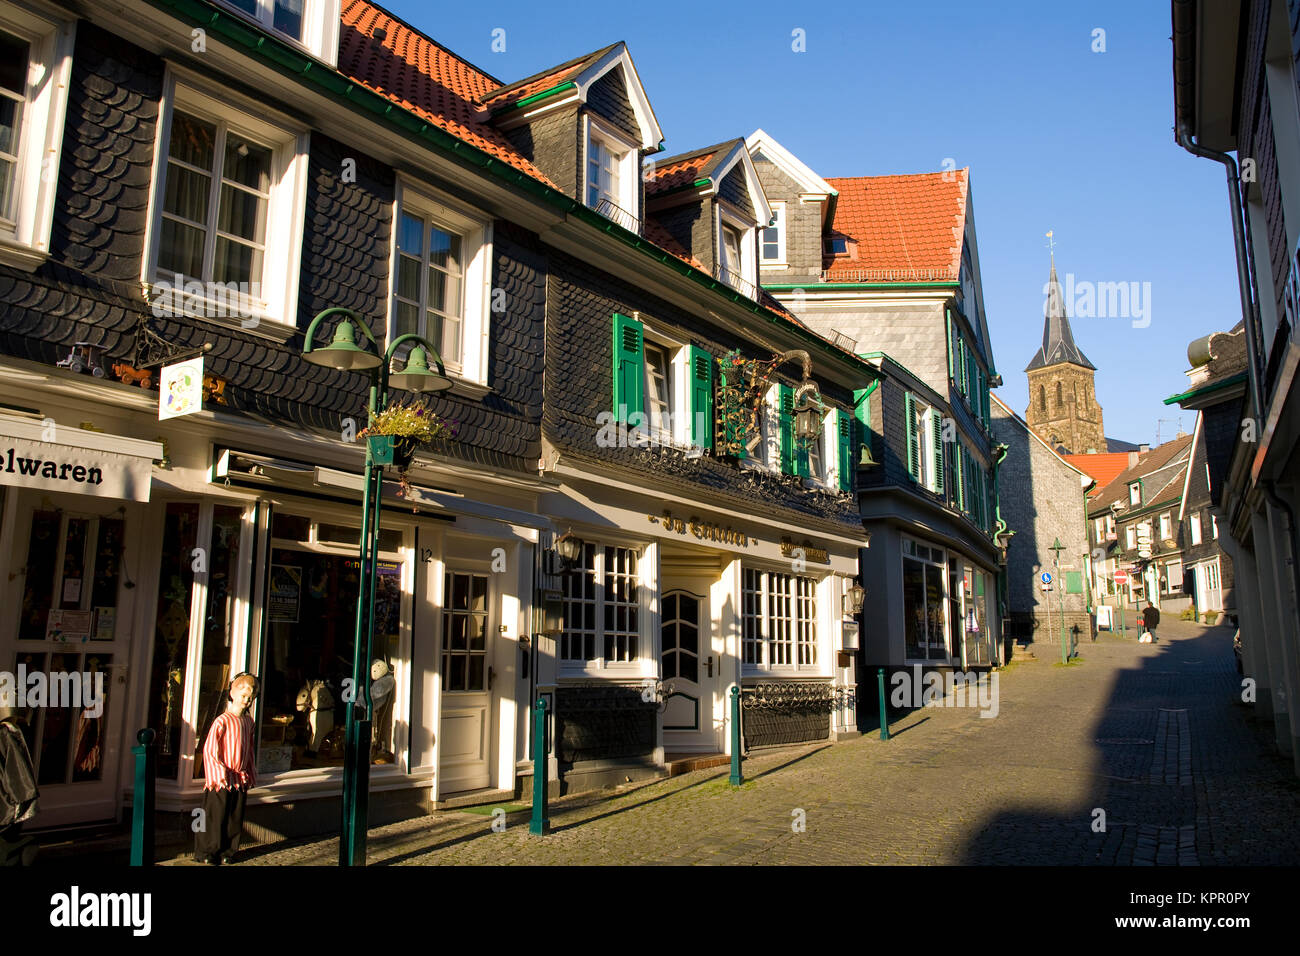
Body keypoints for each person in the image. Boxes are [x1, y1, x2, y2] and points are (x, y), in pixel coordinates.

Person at [196, 673, 258, 865]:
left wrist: (250, 771)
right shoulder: (221, 721)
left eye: (250, 698)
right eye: (243, 696)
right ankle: (207, 851)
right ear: (233, 694)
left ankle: (228, 850)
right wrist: (218, 772)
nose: (247, 701)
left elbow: (248, 749)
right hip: (221, 777)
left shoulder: (248, 722)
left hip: (239, 777)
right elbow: (210, 749)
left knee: (234, 816)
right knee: (215, 815)